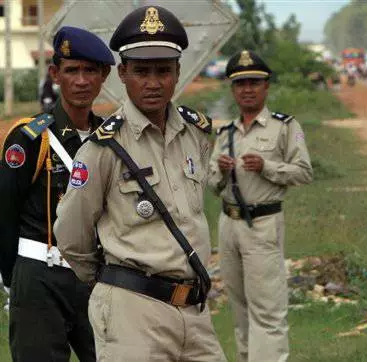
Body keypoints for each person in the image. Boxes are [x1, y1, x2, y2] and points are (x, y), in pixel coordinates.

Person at [53, 6, 226, 362]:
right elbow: (71, 235)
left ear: (177, 72)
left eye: (163, 71)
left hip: (195, 312)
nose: (153, 82)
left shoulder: (197, 134)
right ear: (123, 73)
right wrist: (112, 284)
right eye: (141, 71)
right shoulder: (103, 148)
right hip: (132, 312)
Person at [0, 26, 114, 362]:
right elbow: (4, 212)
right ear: (55, 75)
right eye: (72, 71)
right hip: (40, 277)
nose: (81, 81)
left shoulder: (110, 138)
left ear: (104, 75)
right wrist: (14, 281)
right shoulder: (31, 137)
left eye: (90, 71)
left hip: (96, 279)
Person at [208, 50, 313, 362]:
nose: (247, 89)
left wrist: (267, 166)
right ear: (233, 90)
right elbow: (211, 184)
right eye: (240, 84)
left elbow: (304, 172)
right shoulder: (225, 132)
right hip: (229, 224)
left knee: (267, 311)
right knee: (239, 310)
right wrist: (221, 172)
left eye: (254, 82)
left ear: (266, 86)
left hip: (263, 224)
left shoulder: (285, 127)